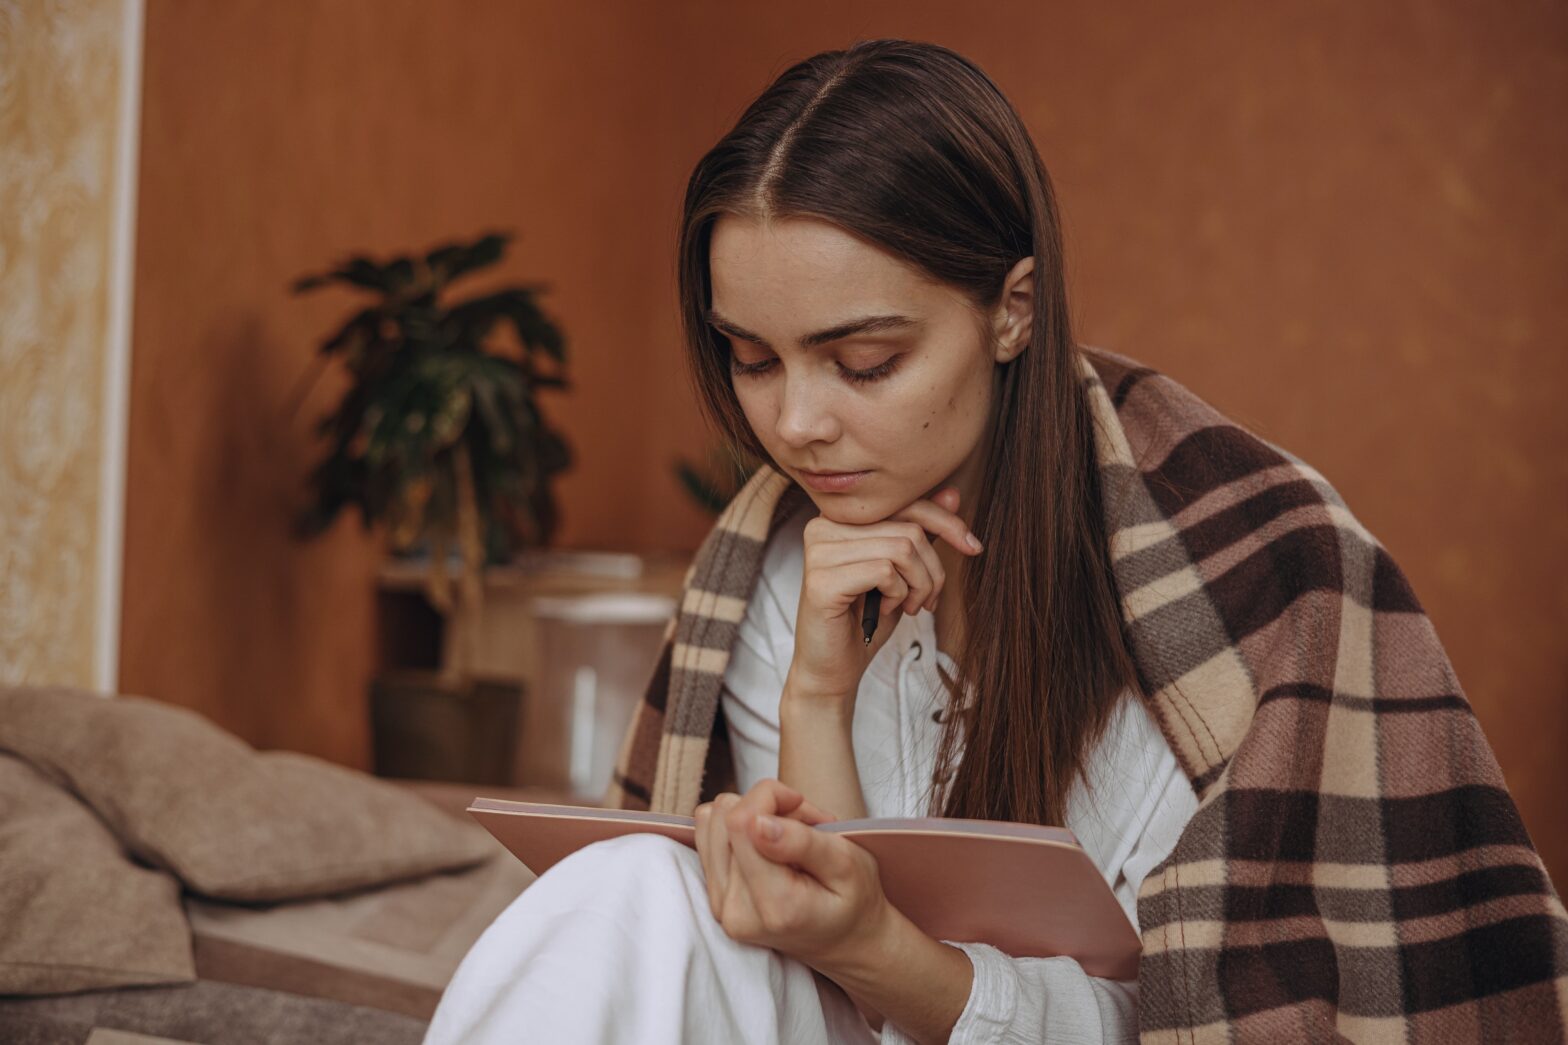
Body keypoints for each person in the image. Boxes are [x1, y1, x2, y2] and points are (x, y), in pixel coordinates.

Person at [425, 39, 1566, 1045]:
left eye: (863, 361)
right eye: (752, 358)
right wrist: (816, 694)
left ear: (1012, 309)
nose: (794, 423)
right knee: (628, 887)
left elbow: (1184, 1018)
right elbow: (822, 979)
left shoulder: (1231, 590)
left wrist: (880, 944)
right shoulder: (779, 557)